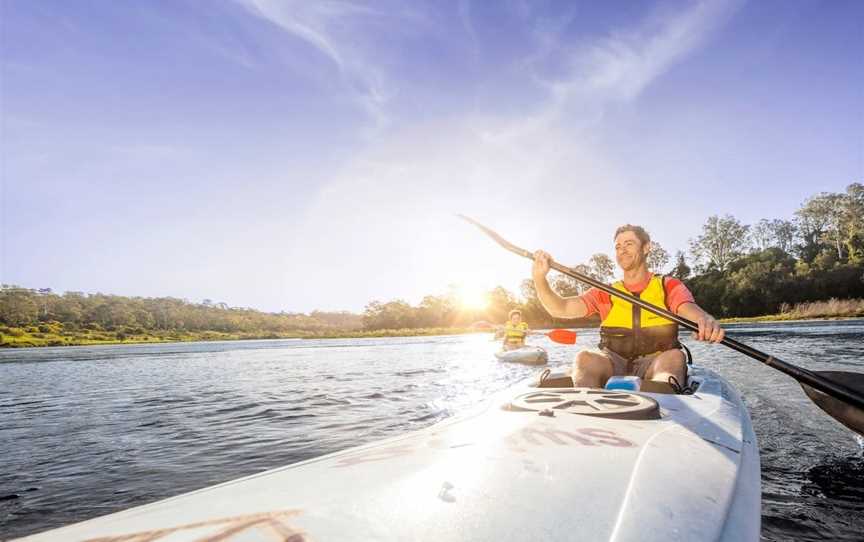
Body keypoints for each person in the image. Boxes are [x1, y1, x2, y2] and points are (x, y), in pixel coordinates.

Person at [532, 224, 724, 389]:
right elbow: (560, 308)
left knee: (675, 357)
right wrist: (540, 279)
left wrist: (703, 320)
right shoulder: (604, 292)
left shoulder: (668, 285)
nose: (622, 250)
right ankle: (583, 408)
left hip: (656, 362)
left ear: (646, 248)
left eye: (629, 244)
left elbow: (688, 307)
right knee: (585, 358)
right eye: (617, 246)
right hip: (612, 361)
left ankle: (662, 400)